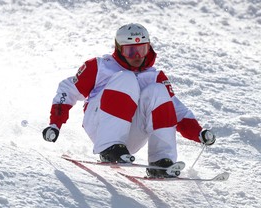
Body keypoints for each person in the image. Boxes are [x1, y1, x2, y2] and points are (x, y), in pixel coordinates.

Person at [42, 23, 216, 178]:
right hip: (100, 125)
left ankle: (161, 162)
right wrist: (55, 124)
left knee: (158, 91)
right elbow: (67, 90)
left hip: (131, 135)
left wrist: (198, 133)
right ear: (119, 49)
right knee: (127, 79)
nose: (137, 56)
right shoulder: (100, 66)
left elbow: (177, 110)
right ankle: (109, 146)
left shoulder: (155, 76)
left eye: (142, 49)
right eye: (130, 51)